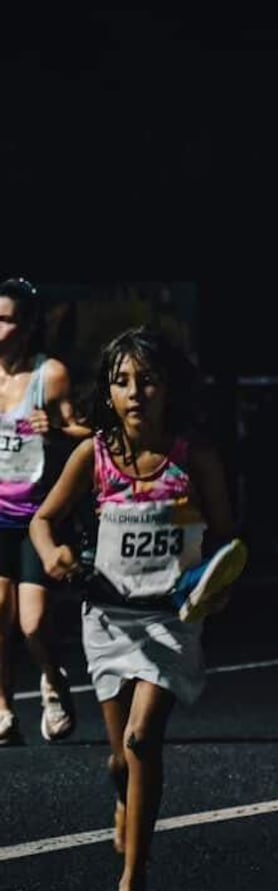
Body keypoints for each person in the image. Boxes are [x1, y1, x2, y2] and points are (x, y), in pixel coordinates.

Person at [29, 325, 248, 891]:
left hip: (169, 620)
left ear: (170, 388)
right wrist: (52, 555)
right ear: (108, 390)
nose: (134, 393)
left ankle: (134, 880)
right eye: (121, 381)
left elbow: (228, 540)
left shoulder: (195, 458)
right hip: (108, 619)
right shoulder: (94, 454)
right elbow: (43, 521)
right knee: (120, 758)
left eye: (147, 381)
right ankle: (124, 795)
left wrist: (219, 584)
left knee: (142, 738)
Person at [0, 276, 90, 747]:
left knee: (32, 624)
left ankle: (53, 680)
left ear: (29, 325)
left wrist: (54, 429)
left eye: (6, 319)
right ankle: (3, 711)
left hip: (35, 517)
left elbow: (85, 433)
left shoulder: (48, 374)